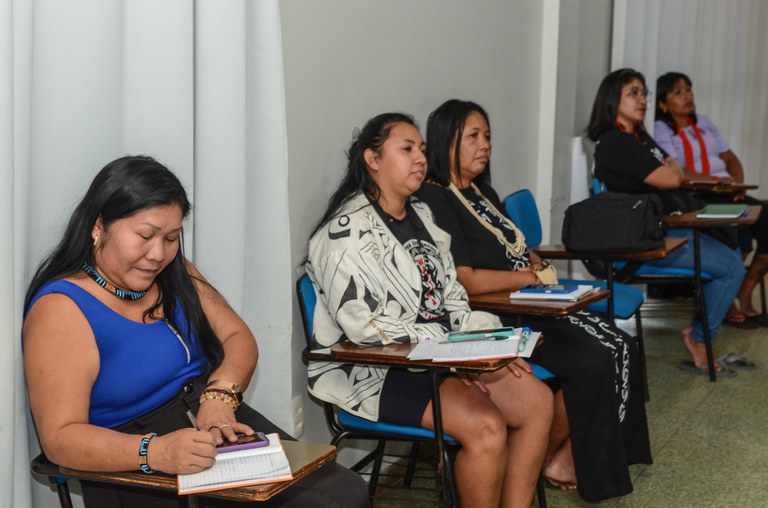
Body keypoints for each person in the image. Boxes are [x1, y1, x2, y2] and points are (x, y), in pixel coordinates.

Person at [23, 156, 369, 508]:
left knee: (345, 492)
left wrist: (219, 398)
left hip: (210, 418)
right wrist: (154, 451)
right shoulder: (61, 309)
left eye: (171, 238)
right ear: (99, 226)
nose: (158, 254)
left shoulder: (175, 271)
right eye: (145, 235)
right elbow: (60, 438)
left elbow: (238, 338)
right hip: (133, 458)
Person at [306, 113, 553, 508]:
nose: (420, 158)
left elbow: (453, 297)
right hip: (381, 369)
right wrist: (456, 352)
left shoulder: (422, 214)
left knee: (538, 402)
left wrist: (487, 345)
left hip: (444, 356)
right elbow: (367, 328)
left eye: (422, 149)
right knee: (487, 427)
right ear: (372, 159)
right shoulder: (345, 232)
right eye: (407, 149)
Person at [416, 99, 651, 502]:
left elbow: (511, 247)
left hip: (530, 303)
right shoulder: (436, 198)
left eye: (487, 136)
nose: (484, 145)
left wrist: (532, 261)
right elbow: (465, 280)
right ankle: (552, 459)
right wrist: (528, 276)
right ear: (444, 141)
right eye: (472, 136)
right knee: (593, 360)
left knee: (620, 343)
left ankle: (567, 454)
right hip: (495, 317)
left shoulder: (481, 191)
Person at [587, 68, 745, 376]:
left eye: (644, 93)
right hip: (639, 243)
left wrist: (675, 170)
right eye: (633, 93)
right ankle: (699, 339)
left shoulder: (639, 139)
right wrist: (674, 169)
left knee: (733, 253)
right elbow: (672, 177)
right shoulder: (617, 143)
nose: (642, 99)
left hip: (660, 230)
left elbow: (679, 173)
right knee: (732, 268)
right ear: (611, 100)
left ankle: (699, 333)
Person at [654, 71, 768, 328]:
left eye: (689, 89)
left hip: (727, 191)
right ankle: (724, 300)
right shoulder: (661, 130)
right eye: (678, 92)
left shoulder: (704, 122)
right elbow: (677, 172)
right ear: (663, 103)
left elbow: (729, 157)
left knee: (765, 218)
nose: (687, 96)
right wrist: (715, 182)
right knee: (737, 232)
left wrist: (735, 183)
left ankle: (745, 289)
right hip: (697, 195)